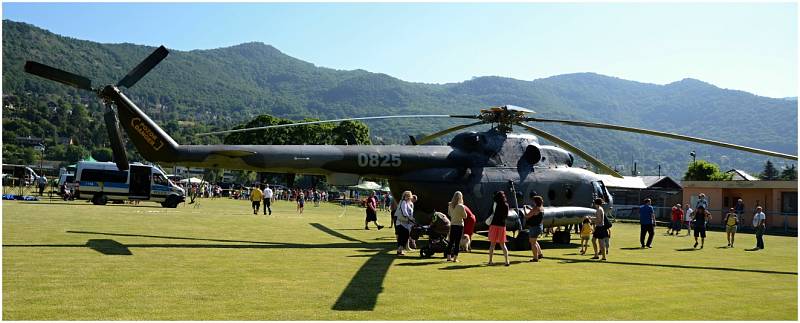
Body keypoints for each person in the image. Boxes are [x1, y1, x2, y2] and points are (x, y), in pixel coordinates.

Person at [487, 191, 510, 266]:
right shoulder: (506, 205)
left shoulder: (495, 204)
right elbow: (506, 216)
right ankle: (507, 261)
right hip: (502, 225)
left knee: (492, 244)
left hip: (493, 224)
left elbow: (490, 213)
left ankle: (490, 261)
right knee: (503, 244)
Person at [446, 191, 467, 262]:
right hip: (459, 225)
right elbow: (465, 216)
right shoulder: (461, 206)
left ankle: (448, 257)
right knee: (457, 242)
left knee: (451, 241)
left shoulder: (450, 205)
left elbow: (449, 214)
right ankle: (455, 258)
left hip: (452, 224)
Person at [524, 195, 545, 262]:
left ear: (535, 202)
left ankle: (535, 258)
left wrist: (524, 209)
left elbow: (527, 216)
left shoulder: (535, 208)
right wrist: (530, 209)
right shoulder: (541, 208)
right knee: (535, 241)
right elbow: (536, 213)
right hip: (539, 226)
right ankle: (540, 254)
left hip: (534, 227)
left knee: (532, 243)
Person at [394, 191, 415, 255]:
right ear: (404, 196)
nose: (407, 197)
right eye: (406, 195)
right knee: (403, 236)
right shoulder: (403, 202)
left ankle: (400, 250)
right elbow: (404, 212)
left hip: (406, 223)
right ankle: (400, 250)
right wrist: (410, 218)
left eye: (408, 196)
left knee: (404, 237)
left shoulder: (409, 203)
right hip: (401, 222)